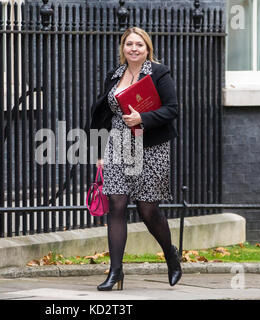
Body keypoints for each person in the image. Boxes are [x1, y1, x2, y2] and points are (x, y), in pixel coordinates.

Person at [89, 27, 182, 290]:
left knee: (147, 209)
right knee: (116, 204)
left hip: (150, 145)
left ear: (147, 48)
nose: (133, 48)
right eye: (129, 44)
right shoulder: (114, 75)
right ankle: (115, 271)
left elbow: (172, 109)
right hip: (117, 143)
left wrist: (143, 118)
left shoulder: (159, 73)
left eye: (139, 45)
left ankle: (171, 256)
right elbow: (104, 115)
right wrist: (99, 152)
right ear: (123, 48)